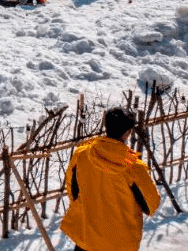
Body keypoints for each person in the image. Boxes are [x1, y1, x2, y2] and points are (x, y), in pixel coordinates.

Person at [60, 107, 160, 251]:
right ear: (127, 133)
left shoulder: (82, 154)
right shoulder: (133, 168)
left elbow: (73, 191)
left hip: (86, 237)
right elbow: (151, 205)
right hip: (119, 243)